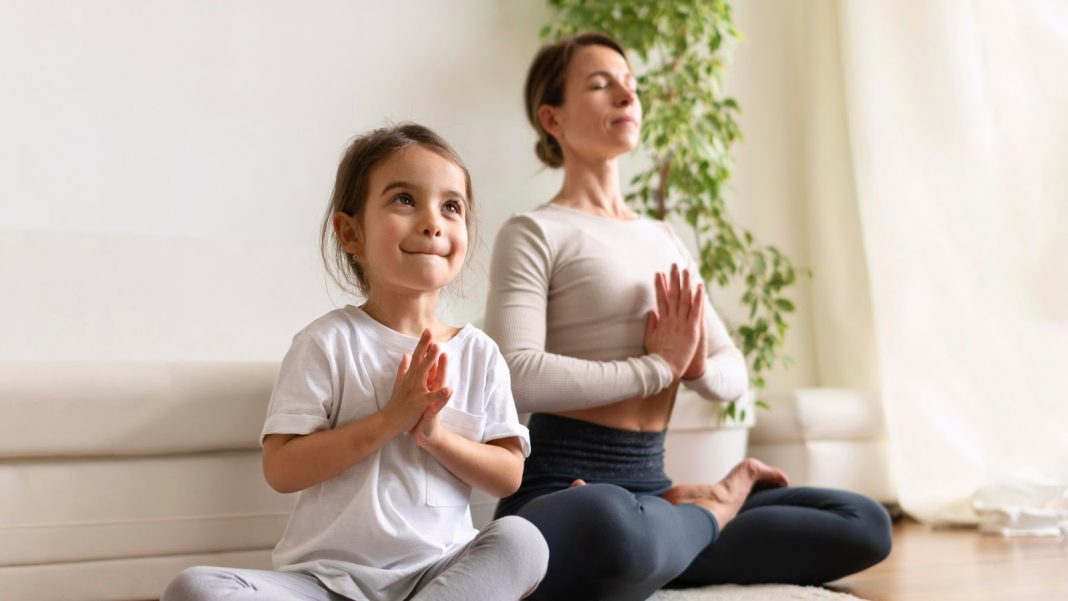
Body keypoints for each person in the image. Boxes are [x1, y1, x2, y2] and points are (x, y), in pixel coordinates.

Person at [486, 33, 892, 601]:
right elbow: (517, 372)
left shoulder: (664, 238)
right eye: (601, 85)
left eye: (631, 84)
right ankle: (702, 517)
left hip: (653, 486)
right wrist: (658, 368)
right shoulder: (534, 232)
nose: (626, 94)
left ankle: (671, 529)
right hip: (569, 487)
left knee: (863, 521)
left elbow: (732, 372)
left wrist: (694, 366)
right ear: (551, 118)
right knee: (609, 524)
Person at [163, 124, 548, 601]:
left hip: (438, 577)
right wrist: (391, 420)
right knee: (196, 588)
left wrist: (433, 435)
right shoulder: (326, 343)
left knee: (523, 541)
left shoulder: (481, 354)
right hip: (324, 584)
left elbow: (508, 473)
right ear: (350, 232)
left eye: (452, 206)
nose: (433, 222)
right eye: (405, 199)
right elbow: (282, 469)